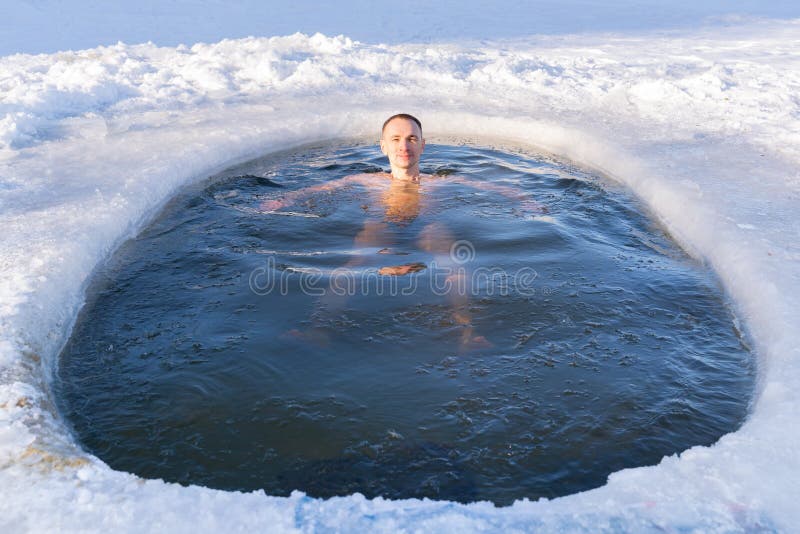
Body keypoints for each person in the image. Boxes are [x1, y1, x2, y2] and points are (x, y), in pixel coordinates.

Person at [261, 113, 545, 349]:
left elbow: (495, 188)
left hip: (428, 227)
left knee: (453, 262)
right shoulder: (366, 180)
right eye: (395, 139)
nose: (404, 146)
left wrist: (526, 201)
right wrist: (283, 200)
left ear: (423, 145)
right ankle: (318, 329)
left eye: (411, 139)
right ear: (383, 146)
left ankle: (468, 332)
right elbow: (318, 190)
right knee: (355, 263)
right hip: (381, 227)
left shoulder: (439, 182)